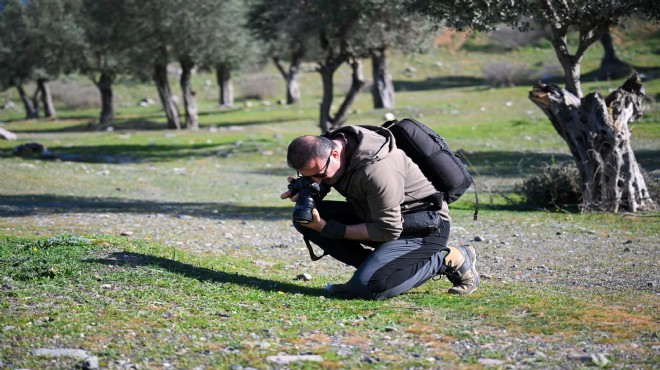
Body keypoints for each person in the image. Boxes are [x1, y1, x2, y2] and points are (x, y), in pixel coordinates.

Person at [280, 125, 479, 300]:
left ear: (334, 154)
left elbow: (388, 230)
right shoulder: (334, 144)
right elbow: (326, 180)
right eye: (308, 176)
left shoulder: (377, 170)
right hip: (375, 215)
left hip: (423, 227)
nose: (317, 180)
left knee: (371, 287)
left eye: (319, 175)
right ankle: (374, 269)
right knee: (305, 217)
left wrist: (326, 227)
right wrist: (308, 191)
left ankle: (446, 258)